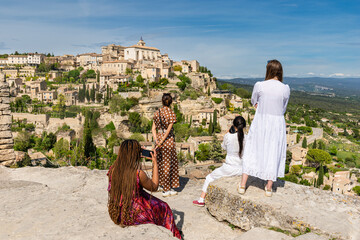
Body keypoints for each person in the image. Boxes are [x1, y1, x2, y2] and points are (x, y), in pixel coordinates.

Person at [107, 139, 182, 239]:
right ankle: (173, 234)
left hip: (118, 214)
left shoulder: (112, 170)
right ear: (136, 154)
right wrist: (155, 163)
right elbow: (154, 186)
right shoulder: (138, 173)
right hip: (134, 216)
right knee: (164, 207)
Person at [238, 60, 290, 197]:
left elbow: (253, 101)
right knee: (273, 151)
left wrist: (261, 109)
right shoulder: (285, 88)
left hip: (261, 120)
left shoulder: (259, 85)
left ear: (268, 70)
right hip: (277, 122)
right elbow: (283, 108)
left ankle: (243, 184)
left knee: (253, 149)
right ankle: (268, 187)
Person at [193, 116, 247, 207]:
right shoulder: (247, 138)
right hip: (242, 168)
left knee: (209, 178)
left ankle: (201, 199)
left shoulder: (228, 136)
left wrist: (227, 134)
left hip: (229, 168)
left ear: (233, 125)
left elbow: (224, 147)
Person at [152, 93, 179, 197]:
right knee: (168, 163)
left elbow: (153, 128)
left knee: (158, 162)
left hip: (158, 138)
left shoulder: (157, 113)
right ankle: (166, 190)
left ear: (162, 102)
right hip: (167, 140)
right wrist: (163, 140)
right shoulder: (171, 113)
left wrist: (156, 140)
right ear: (171, 102)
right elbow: (168, 130)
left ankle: (159, 184)